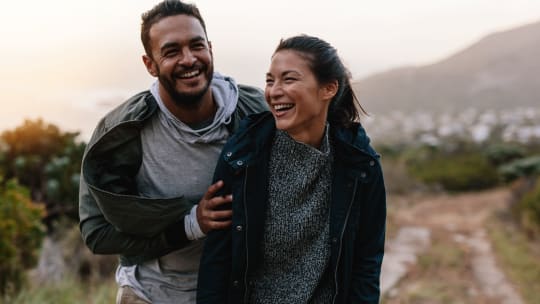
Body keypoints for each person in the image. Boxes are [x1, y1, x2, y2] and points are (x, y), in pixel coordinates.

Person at [78, 1, 267, 303]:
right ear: (150, 64)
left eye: (197, 46)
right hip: (150, 294)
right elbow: (96, 233)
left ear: (211, 49)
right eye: (171, 51)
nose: (189, 59)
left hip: (239, 292)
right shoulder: (119, 132)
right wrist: (190, 224)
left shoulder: (255, 112)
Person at [197, 35, 386, 303]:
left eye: (289, 79)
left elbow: (367, 261)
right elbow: (218, 260)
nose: (274, 91)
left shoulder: (359, 164)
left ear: (328, 89)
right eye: (270, 80)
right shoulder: (243, 155)